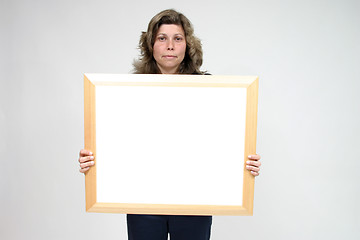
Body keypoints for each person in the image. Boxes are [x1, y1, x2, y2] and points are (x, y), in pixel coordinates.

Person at [78, 9, 261, 240]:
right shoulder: (128, 92)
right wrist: (93, 160)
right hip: (142, 201)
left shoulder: (211, 91)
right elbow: (118, 142)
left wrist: (245, 162)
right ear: (151, 45)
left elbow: (222, 141)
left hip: (194, 201)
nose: (170, 46)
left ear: (187, 45)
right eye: (162, 38)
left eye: (178, 38)